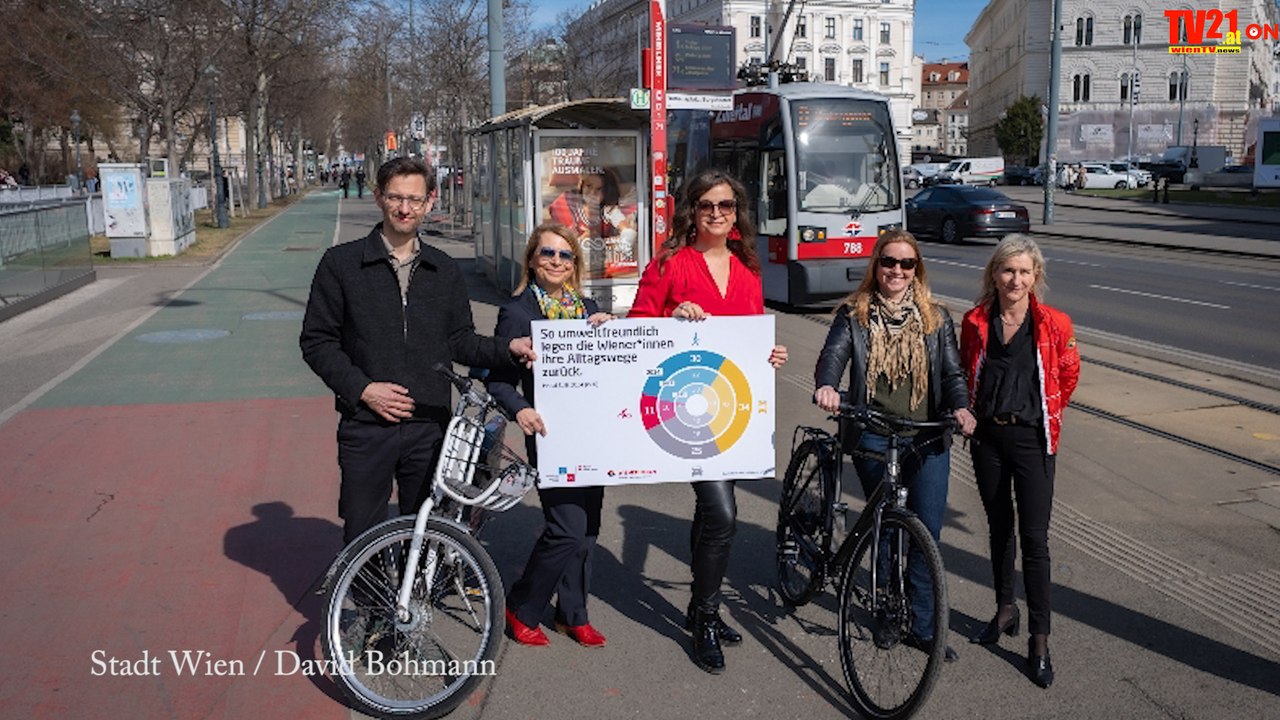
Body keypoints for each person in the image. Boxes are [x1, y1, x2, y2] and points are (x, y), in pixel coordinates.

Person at [300, 156, 537, 544]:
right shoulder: (341, 264)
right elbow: (316, 341)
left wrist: (507, 349)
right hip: (366, 425)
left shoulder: (443, 270)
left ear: (430, 201)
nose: (404, 208)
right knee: (363, 532)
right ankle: (372, 605)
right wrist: (363, 389)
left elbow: (461, 341)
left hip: (429, 423)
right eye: (395, 197)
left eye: (414, 199)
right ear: (378, 197)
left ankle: (414, 605)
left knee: (427, 530)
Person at [628, 168, 788, 674]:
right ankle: (706, 617)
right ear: (691, 211)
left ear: (737, 212)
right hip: (683, 409)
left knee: (711, 515)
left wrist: (771, 354)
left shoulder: (747, 269)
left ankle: (700, 603)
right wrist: (672, 320)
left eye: (726, 205)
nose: (717, 213)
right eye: (706, 205)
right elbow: (637, 325)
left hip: (733, 411)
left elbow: (749, 341)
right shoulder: (672, 263)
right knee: (722, 514)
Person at [812, 229, 976, 664]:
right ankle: (886, 610)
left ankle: (922, 626)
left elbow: (953, 375)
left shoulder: (936, 318)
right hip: (873, 430)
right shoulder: (855, 314)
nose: (897, 271)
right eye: (889, 262)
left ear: (916, 269)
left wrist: (961, 408)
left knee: (926, 531)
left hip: (925, 437)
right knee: (884, 525)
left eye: (906, 264)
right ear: (876, 266)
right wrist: (827, 385)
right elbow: (834, 355)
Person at [486, 223, 615, 649]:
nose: (557, 262)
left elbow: (616, 366)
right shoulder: (517, 312)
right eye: (548, 253)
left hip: (593, 432)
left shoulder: (588, 307)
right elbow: (498, 379)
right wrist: (520, 409)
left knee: (589, 528)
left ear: (575, 264)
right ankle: (522, 606)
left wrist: (610, 330)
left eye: (565, 255)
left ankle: (573, 614)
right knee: (566, 528)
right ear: (532, 260)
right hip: (550, 435)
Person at [960, 234, 1079, 689]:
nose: (1016, 279)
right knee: (998, 529)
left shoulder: (1054, 323)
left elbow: (1068, 374)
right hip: (988, 439)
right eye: (1008, 270)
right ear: (994, 273)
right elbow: (967, 370)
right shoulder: (975, 321)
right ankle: (1005, 609)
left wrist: (1043, 409)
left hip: (1032, 439)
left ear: (1036, 277)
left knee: (1035, 540)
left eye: (1024, 272)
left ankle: (1039, 639)